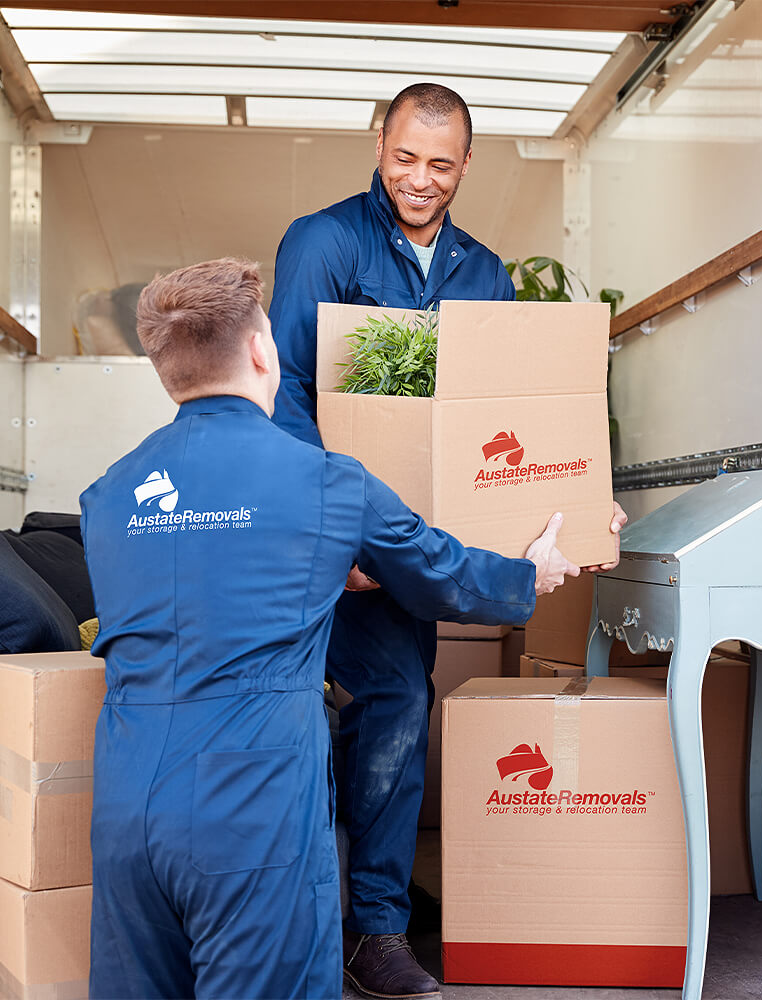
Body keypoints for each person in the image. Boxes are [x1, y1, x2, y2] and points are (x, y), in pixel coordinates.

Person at [80, 256, 582, 1000]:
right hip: (250, 808)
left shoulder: (106, 495)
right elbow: (440, 572)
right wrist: (528, 573)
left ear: (165, 370)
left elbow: (205, 584)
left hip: (124, 808)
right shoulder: (326, 481)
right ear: (261, 350)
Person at [269, 82, 626, 999]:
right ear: (377, 146)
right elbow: (289, 396)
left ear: (467, 165)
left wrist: (582, 501)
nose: (418, 180)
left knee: (394, 707)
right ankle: (321, 918)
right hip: (334, 535)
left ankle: (375, 929)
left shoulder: (485, 272)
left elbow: (507, 418)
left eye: (439, 164)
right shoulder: (324, 242)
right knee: (316, 712)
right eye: (403, 158)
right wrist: (330, 533)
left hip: (423, 541)